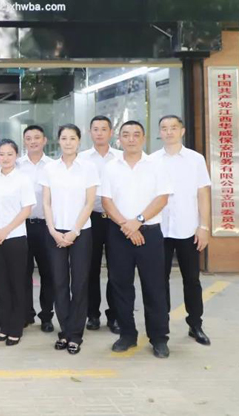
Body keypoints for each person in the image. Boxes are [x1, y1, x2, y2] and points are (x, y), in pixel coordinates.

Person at [101, 121, 172, 358]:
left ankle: (159, 338)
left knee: (154, 286)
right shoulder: (110, 167)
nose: (131, 139)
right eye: (126, 135)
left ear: (143, 138)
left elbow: (162, 199)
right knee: (120, 285)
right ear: (119, 139)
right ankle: (127, 335)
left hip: (149, 232)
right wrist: (127, 225)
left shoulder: (157, 165)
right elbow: (107, 201)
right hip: (119, 233)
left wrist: (138, 221)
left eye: (136, 134)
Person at [150, 115, 212, 346]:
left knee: (192, 279)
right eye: (164, 128)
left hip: (188, 228)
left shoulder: (195, 160)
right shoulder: (152, 161)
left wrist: (204, 226)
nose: (169, 132)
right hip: (159, 229)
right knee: (159, 280)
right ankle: (161, 327)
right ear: (160, 132)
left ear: (182, 131)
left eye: (173, 128)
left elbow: (203, 194)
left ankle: (195, 324)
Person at [40, 125, 99, 354]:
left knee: (80, 283)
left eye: (72, 138)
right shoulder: (49, 168)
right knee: (59, 282)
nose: (68, 142)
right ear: (58, 141)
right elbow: (46, 202)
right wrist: (52, 230)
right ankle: (64, 331)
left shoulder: (88, 168)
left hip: (81, 232)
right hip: (55, 232)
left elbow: (89, 202)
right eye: (64, 138)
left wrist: (75, 231)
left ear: (79, 141)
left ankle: (76, 334)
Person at [0, 139, 35, 346]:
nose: (5, 158)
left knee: (17, 283)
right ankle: (4, 327)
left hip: (15, 238)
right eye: (2, 154)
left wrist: (5, 230)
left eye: (9, 154)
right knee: (0, 283)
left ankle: (16, 328)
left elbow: (26, 209)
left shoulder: (23, 179)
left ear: (16, 156)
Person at [79, 116, 122, 334]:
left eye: (104, 129)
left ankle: (114, 316)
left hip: (116, 219)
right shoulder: (82, 159)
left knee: (117, 269)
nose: (99, 133)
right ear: (90, 133)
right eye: (95, 129)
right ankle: (92, 315)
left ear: (111, 132)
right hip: (91, 218)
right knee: (90, 269)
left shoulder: (121, 157)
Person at [17, 125, 55, 332]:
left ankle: (46, 316)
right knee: (23, 273)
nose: (33, 141)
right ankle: (26, 313)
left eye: (37, 137)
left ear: (44, 140)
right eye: (29, 138)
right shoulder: (16, 165)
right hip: (21, 226)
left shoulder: (53, 166)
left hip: (45, 226)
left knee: (48, 273)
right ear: (24, 141)